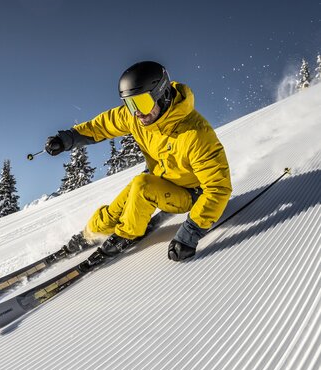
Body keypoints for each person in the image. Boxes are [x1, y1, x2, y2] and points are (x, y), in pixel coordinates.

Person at [45, 61, 232, 262]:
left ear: (163, 95)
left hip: (192, 194)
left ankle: (126, 233)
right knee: (117, 207)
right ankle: (90, 233)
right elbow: (101, 125)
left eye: (142, 103)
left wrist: (190, 233)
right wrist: (67, 139)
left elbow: (218, 188)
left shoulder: (196, 134)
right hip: (160, 180)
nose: (138, 113)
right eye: (130, 104)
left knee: (142, 187)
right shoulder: (138, 118)